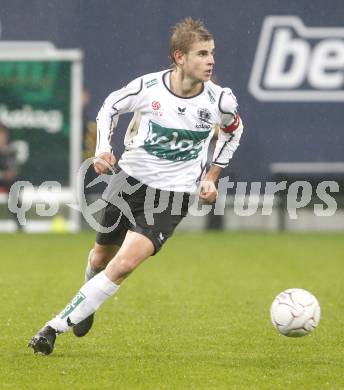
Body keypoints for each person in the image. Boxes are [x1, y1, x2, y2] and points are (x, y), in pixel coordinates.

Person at [29, 17, 244, 355]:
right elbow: (108, 109)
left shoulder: (220, 101)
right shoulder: (148, 88)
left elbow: (234, 131)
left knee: (124, 265)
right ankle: (88, 294)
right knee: (101, 258)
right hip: (128, 183)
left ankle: (53, 327)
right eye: (202, 54)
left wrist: (211, 175)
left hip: (172, 196)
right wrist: (103, 148)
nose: (211, 61)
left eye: (212, 53)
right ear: (179, 57)